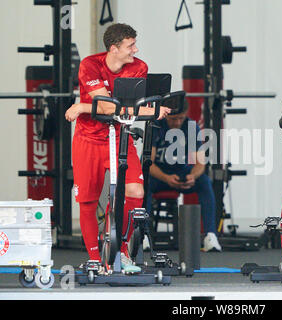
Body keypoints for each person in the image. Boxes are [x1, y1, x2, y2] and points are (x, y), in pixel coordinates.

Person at [65, 23, 170, 272]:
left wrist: (82, 107)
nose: (135, 49)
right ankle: (94, 257)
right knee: (88, 201)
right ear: (114, 48)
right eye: (130, 45)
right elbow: (105, 107)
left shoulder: (139, 67)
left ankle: (120, 251)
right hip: (88, 140)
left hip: (121, 136)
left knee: (135, 191)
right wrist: (142, 111)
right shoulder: (90, 64)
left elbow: (118, 108)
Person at [146, 100, 222, 252]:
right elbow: (148, 164)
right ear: (166, 115)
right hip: (160, 175)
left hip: (181, 172)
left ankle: (210, 235)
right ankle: (143, 235)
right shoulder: (155, 125)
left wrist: (192, 176)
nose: (177, 122)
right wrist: (166, 178)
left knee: (204, 181)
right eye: (173, 119)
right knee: (143, 184)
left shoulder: (191, 126)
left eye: (181, 118)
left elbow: (200, 163)